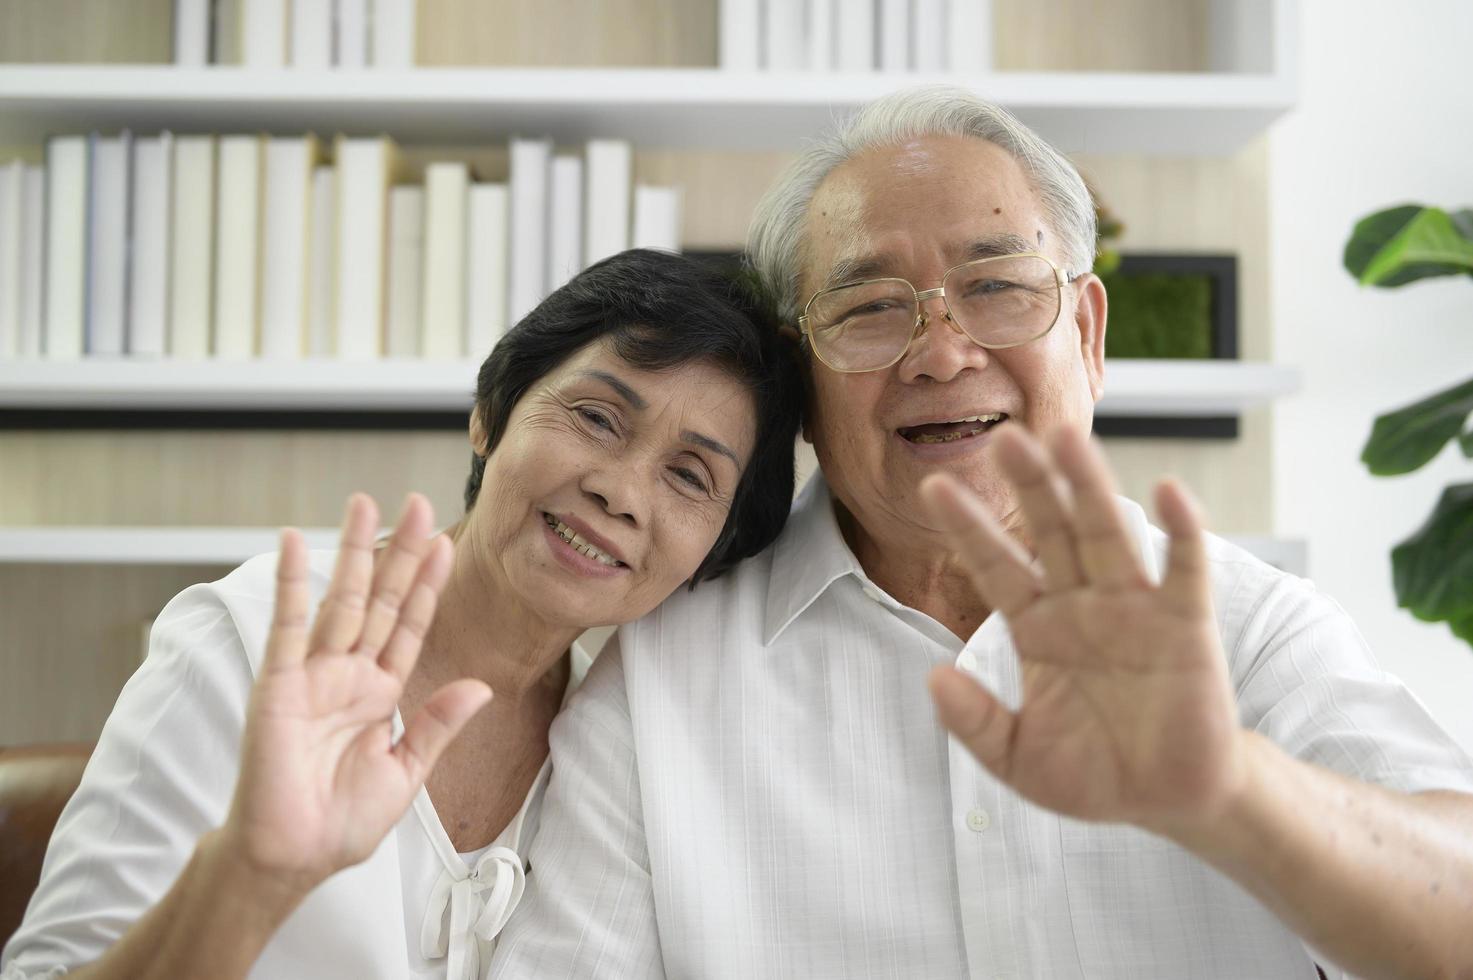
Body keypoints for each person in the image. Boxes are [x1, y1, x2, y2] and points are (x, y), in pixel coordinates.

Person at [491, 88, 1473, 978]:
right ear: (802, 380)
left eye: (998, 287)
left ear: (1088, 337)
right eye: (870, 306)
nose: (942, 350)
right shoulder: (660, 679)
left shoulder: (1250, 628)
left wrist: (1232, 790)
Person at [0, 249, 804, 980]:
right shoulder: (244, 645)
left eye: (690, 475)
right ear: (490, 414)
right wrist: (248, 874)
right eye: (596, 417)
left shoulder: (624, 743)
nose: (620, 492)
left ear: (717, 549)